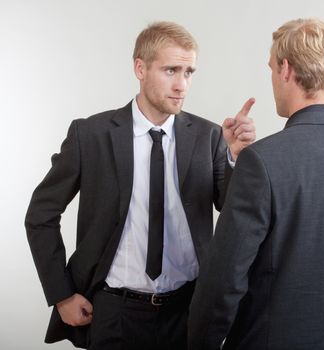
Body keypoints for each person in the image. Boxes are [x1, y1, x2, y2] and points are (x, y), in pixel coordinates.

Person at [25, 21, 255, 350]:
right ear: (140, 68)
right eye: (171, 70)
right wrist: (61, 294)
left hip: (188, 311)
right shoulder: (90, 135)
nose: (182, 85)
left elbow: (233, 211)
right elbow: (40, 214)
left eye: (189, 72)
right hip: (113, 313)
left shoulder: (209, 136)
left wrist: (234, 157)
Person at [187, 18, 324, 350]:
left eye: (272, 68)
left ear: (286, 69)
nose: (273, 78)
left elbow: (223, 283)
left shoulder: (261, 160)